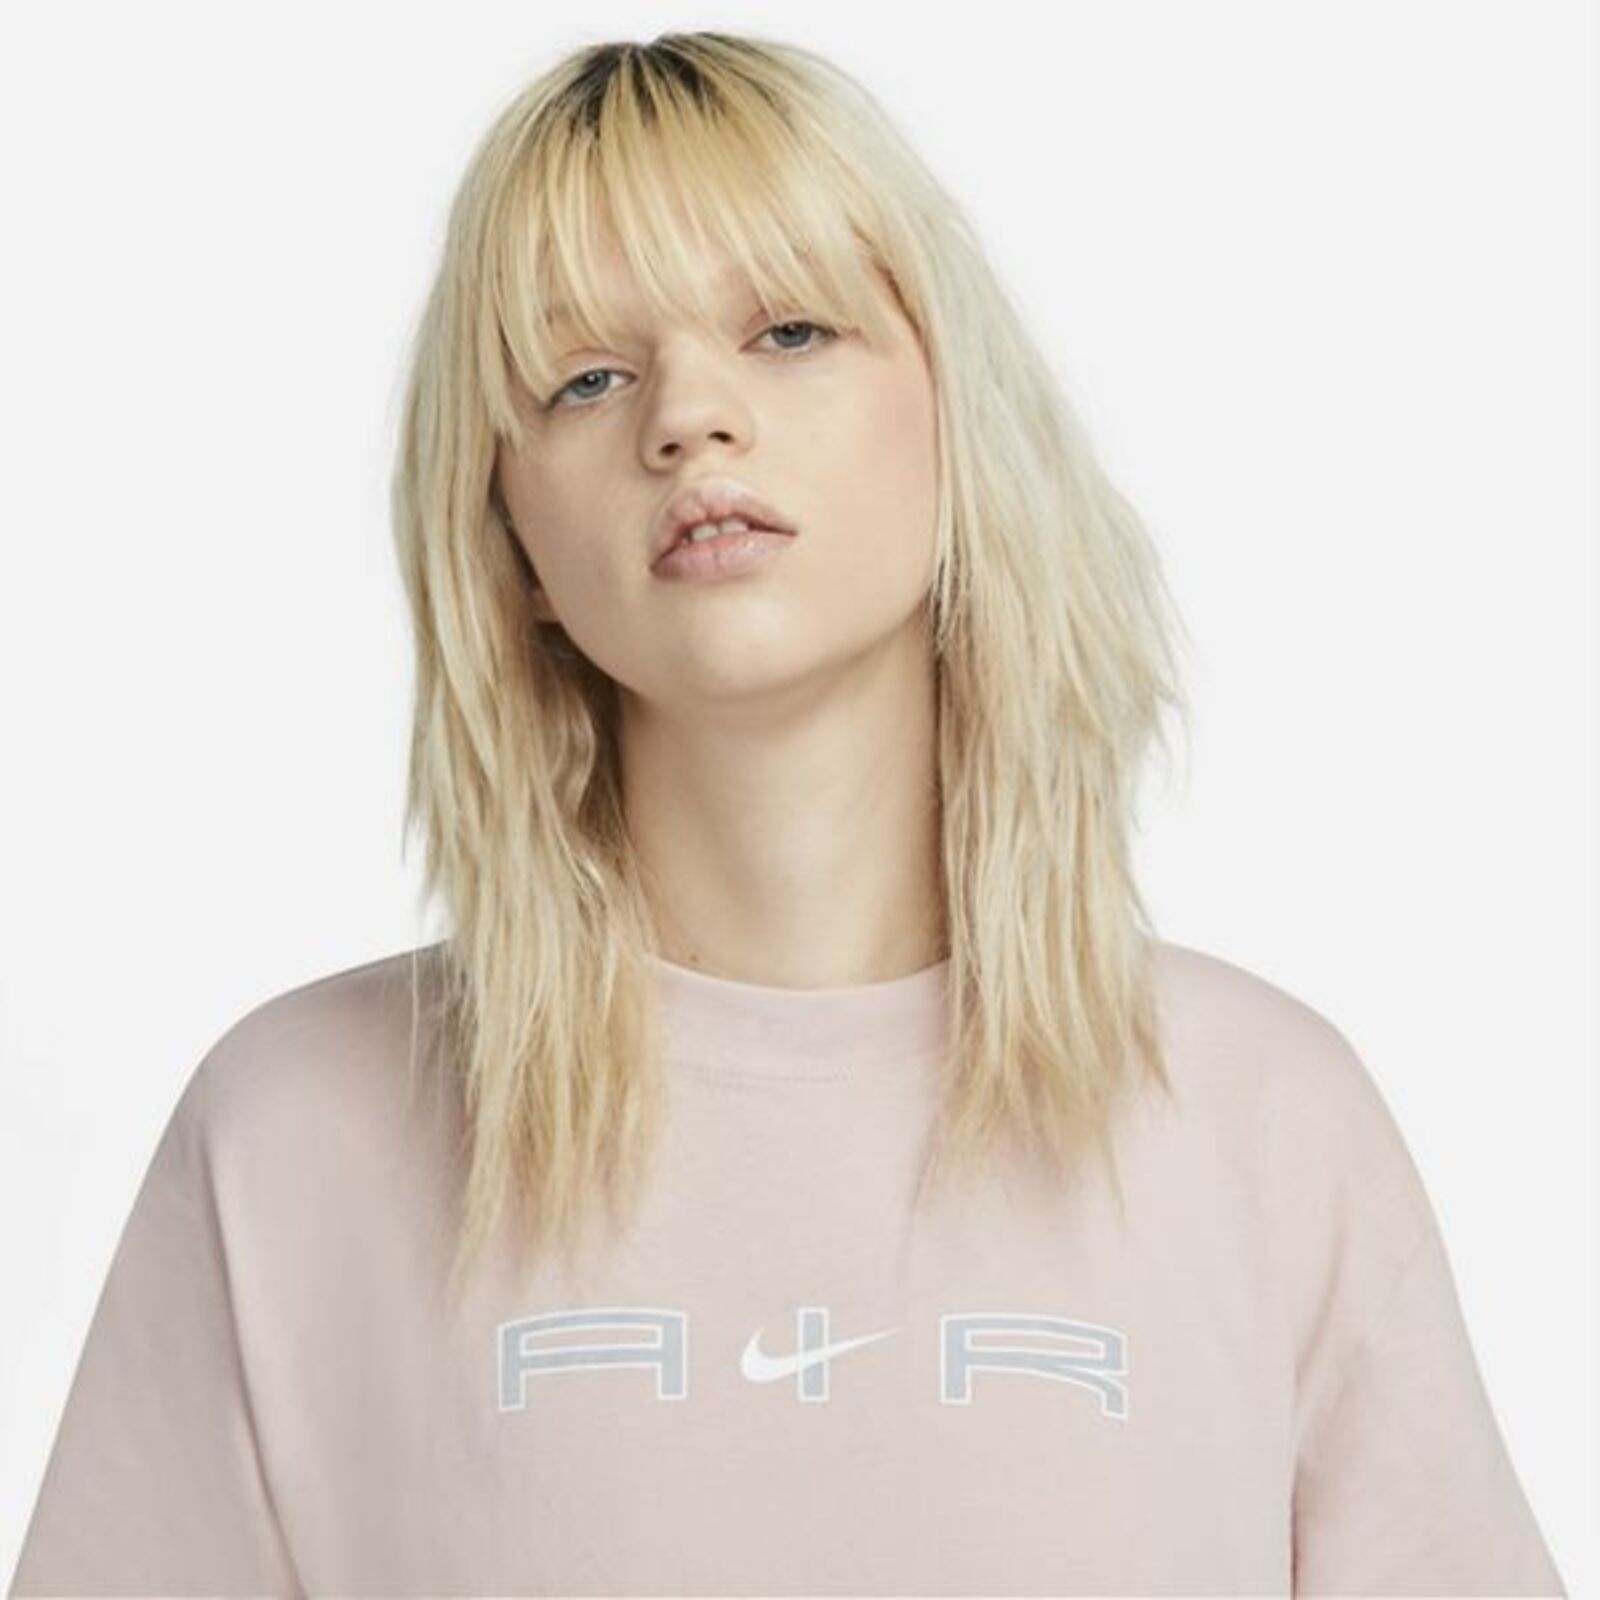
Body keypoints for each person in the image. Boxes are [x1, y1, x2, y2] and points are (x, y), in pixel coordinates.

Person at [9, 29, 1566, 1598]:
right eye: (586, 376)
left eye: (791, 329)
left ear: (955, 417)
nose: (689, 416)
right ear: (511, 540)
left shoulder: (1264, 1122)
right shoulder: (297, 1135)